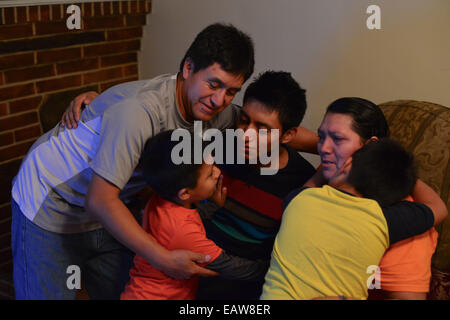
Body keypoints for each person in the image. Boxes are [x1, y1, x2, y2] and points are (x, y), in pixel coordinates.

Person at [11, 23, 258, 300]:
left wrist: (317, 149)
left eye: (231, 91)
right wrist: (163, 258)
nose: (219, 100)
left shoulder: (213, 110)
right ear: (188, 68)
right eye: (213, 84)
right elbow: (100, 201)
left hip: (109, 207)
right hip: (51, 200)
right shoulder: (138, 112)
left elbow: (268, 126)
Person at [260, 138, 448, 300]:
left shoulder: (298, 199)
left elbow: (310, 186)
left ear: (346, 165)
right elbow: (438, 208)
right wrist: (402, 176)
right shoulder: (384, 219)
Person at [195, 71, 316, 299]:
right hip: (193, 264)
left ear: (288, 135)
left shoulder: (300, 182)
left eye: (262, 128)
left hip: (248, 285)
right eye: (244, 120)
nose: (246, 134)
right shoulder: (217, 151)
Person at [304, 97, 440, 300]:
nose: (323, 148)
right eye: (322, 137)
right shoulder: (328, 176)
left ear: (370, 147)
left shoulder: (403, 222)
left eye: (338, 139)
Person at [120, 130, 269, 300]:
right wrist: (274, 268)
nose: (218, 172)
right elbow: (230, 266)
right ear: (184, 193)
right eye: (210, 174)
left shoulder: (160, 197)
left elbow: (186, 219)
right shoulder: (185, 232)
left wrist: (213, 205)